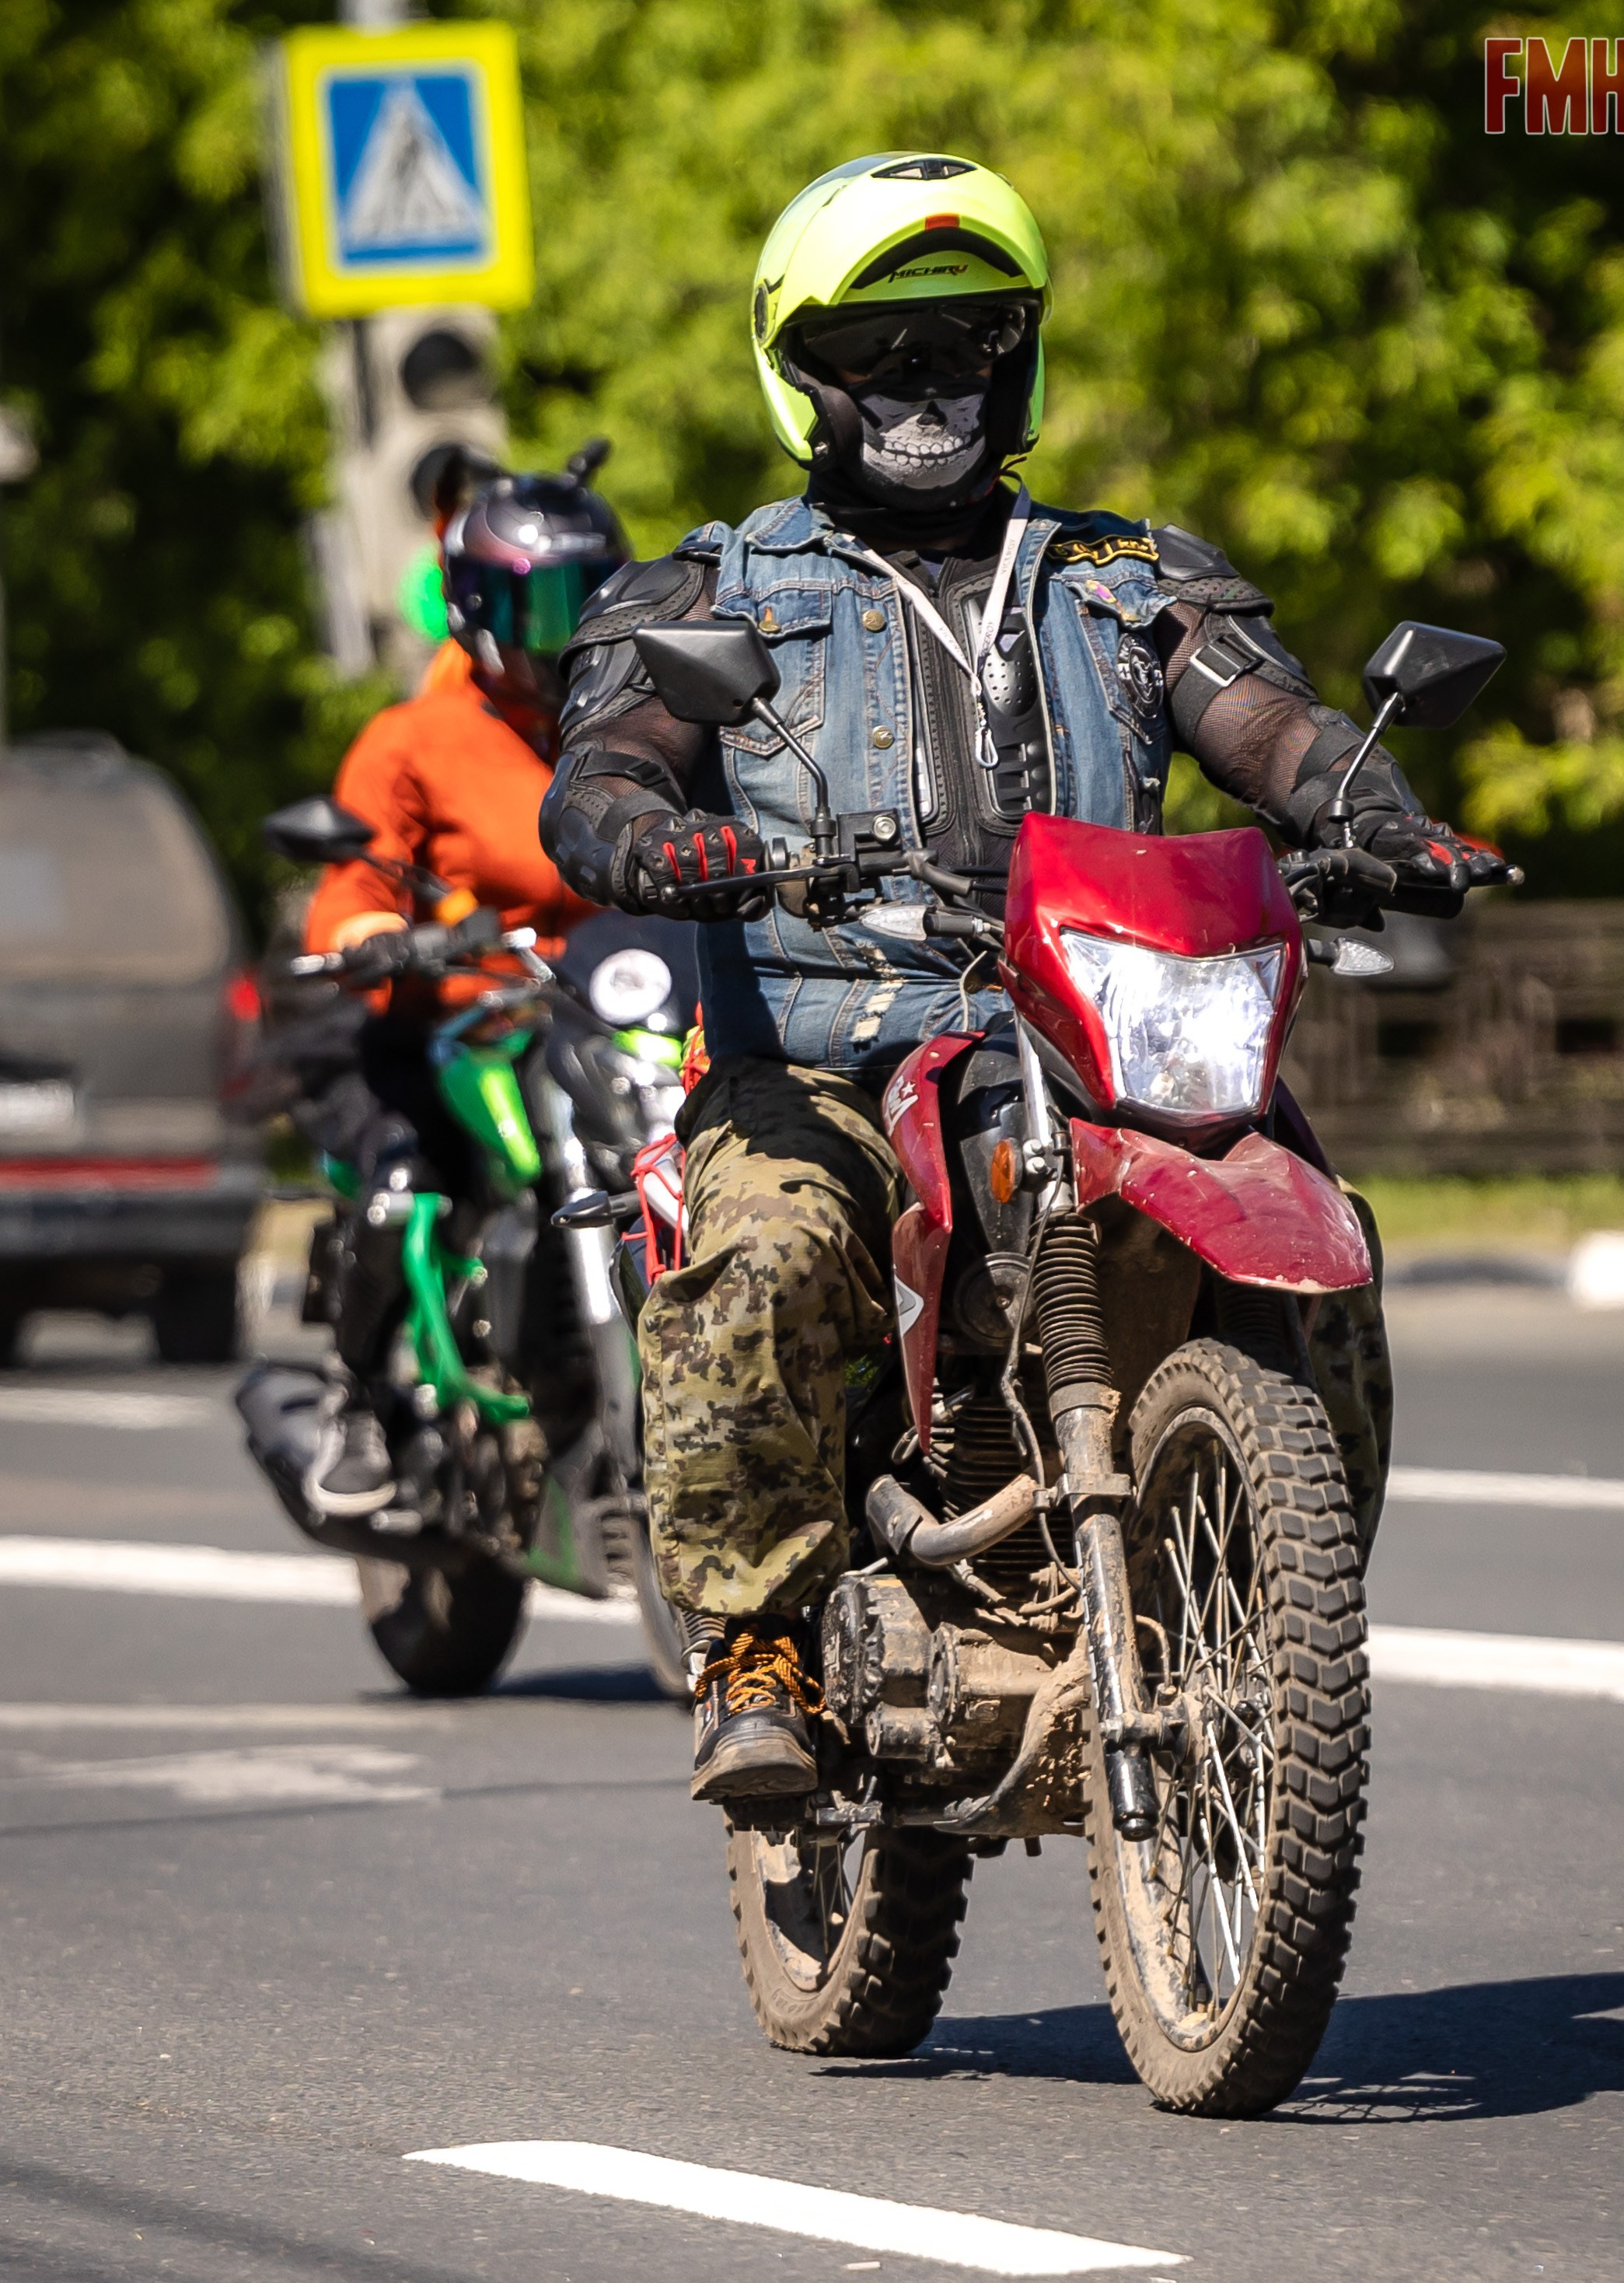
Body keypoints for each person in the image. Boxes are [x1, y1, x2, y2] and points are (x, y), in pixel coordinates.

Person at [540, 156, 1510, 1801]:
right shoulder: (715, 588)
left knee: (1322, 1255)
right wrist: (654, 837)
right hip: (830, 1052)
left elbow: (1266, 725)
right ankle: (756, 1644)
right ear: (803, 371)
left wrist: (1379, 814)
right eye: (883, 349)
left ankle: (1278, 1603)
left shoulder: (1127, 574)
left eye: (968, 339)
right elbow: (607, 766)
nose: (929, 385)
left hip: (1093, 1032)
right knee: (765, 1259)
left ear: (1023, 356)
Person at [296, 446, 629, 1513]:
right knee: (403, 1192)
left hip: (601, 1018)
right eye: (544, 610)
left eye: (589, 603)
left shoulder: (634, 726)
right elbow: (352, 882)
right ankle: (357, 1398)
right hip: (440, 1028)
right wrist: (367, 933)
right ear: (480, 608)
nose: (566, 636)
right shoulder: (415, 739)